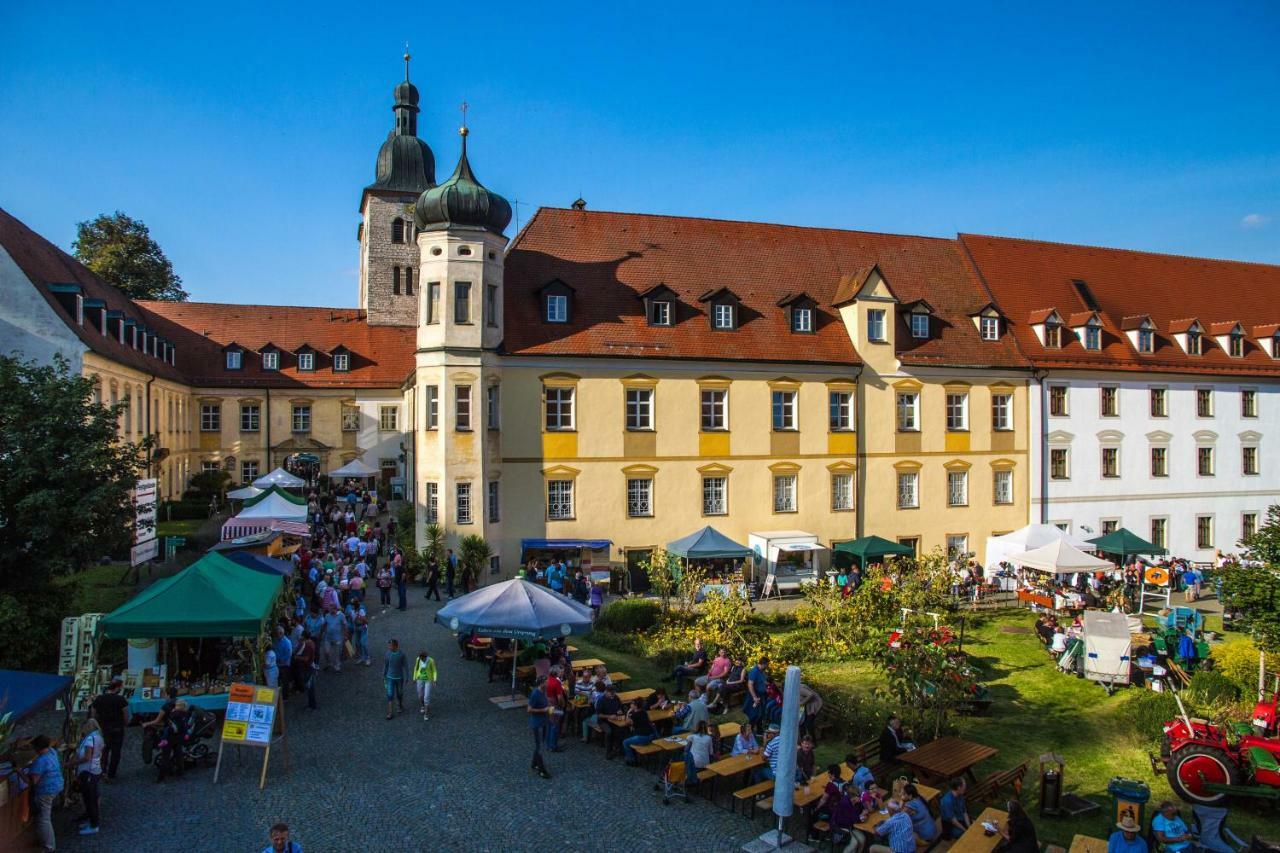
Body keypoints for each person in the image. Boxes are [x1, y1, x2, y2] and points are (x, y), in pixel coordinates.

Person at [23, 734, 63, 852]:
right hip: (57, 785)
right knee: (43, 817)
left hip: (45, 791)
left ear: (37, 748)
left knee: (43, 819)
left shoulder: (40, 761)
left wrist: (18, 771)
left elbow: (31, 782)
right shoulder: (51, 752)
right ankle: (42, 838)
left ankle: (49, 846)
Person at [89, 677, 130, 781]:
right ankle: (111, 773)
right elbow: (125, 714)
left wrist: (96, 724)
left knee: (104, 750)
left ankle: (102, 771)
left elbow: (93, 713)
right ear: (117, 688)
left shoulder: (99, 699)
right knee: (116, 752)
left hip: (103, 728)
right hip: (117, 728)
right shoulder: (121, 699)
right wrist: (126, 723)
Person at [75, 718, 105, 836]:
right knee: (92, 797)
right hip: (95, 770)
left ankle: (94, 824)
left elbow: (87, 757)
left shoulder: (89, 740)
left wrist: (71, 764)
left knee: (90, 799)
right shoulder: (99, 737)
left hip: (88, 771)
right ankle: (92, 821)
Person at [809, 762, 846, 841]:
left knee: (813, 811)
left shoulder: (831, 785)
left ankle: (814, 836)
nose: (828, 774)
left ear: (832, 775)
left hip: (832, 810)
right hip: (841, 809)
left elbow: (823, 800)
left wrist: (816, 808)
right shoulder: (844, 782)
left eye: (828, 772)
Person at [527, 675, 552, 779]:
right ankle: (542, 770)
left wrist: (549, 708)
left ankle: (534, 763)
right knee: (540, 746)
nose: (548, 684)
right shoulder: (535, 694)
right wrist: (543, 710)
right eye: (546, 682)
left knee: (539, 744)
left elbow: (544, 704)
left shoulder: (544, 691)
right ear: (541, 683)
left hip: (544, 722)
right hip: (537, 724)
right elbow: (529, 710)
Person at [621, 698, 657, 765]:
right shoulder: (644, 712)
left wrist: (628, 712)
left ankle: (631, 760)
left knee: (625, 742)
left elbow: (626, 723)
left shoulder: (634, 715)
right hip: (652, 735)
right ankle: (635, 755)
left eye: (632, 704)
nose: (630, 705)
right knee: (630, 736)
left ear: (636, 706)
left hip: (643, 738)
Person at [383, 639, 408, 719]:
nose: (389, 647)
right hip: (390, 677)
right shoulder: (387, 654)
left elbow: (405, 665)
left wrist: (407, 676)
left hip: (399, 677)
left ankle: (400, 704)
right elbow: (386, 665)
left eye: (391, 646)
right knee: (390, 694)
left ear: (396, 646)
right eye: (389, 646)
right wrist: (383, 675)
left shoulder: (401, 655)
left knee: (399, 693)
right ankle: (390, 712)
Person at [294, 630, 318, 710]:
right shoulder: (311, 642)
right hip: (310, 667)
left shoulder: (307, 645)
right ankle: (311, 704)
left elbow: (306, 658)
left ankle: (312, 705)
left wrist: (297, 657)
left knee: (310, 687)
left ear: (303, 636)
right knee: (310, 687)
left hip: (308, 668)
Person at [744, 656, 770, 732]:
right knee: (753, 714)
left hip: (761, 695)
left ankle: (759, 729)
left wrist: (766, 684)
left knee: (761, 713)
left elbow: (761, 680)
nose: (767, 666)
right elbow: (750, 684)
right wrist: (755, 697)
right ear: (763, 664)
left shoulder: (761, 671)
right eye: (767, 665)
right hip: (755, 695)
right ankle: (749, 731)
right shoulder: (754, 671)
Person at [413, 649, 438, 719]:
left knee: (426, 696)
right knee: (420, 695)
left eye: (422, 658)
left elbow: (434, 670)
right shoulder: (418, 659)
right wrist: (414, 677)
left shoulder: (431, 661)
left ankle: (426, 713)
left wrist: (435, 679)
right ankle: (423, 706)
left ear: (425, 657)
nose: (421, 659)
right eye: (420, 658)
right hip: (420, 678)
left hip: (428, 680)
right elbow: (416, 668)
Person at [320, 606, 347, 672]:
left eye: (331, 609)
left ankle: (337, 666)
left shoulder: (341, 615)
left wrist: (346, 635)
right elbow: (324, 625)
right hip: (328, 637)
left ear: (335, 609)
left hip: (337, 638)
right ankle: (329, 663)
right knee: (326, 652)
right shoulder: (327, 615)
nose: (329, 610)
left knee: (336, 653)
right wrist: (321, 633)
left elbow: (345, 625)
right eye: (329, 609)